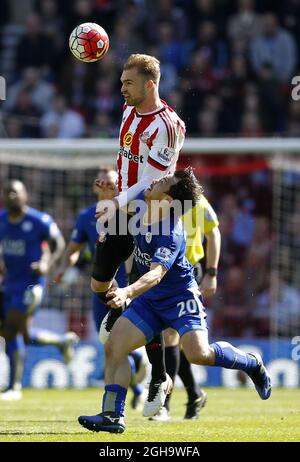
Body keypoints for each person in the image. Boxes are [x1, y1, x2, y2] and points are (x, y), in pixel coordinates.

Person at [78, 168, 272, 434]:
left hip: (179, 297)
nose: (158, 178)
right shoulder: (142, 206)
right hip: (150, 301)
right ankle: (113, 415)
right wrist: (109, 195)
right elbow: (117, 210)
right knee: (114, 347)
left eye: (165, 181)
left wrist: (126, 292)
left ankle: (251, 362)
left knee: (198, 354)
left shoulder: (170, 231)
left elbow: (156, 274)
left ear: (168, 200)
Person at [91, 53, 186, 415]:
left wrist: (118, 202)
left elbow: (150, 181)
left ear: (150, 84)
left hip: (150, 215)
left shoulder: (167, 125)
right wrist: (114, 192)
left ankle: (159, 378)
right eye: (120, 83)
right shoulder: (129, 111)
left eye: (128, 83)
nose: (122, 90)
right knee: (98, 283)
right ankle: (118, 307)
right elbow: (125, 161)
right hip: (122, 208)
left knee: (142, 292)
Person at [54, 168, 146, 408]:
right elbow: (74, 249)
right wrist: (66, 267)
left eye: (113, 182)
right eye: (103, 181)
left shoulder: (129, 210)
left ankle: (132, 379)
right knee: (108, 342)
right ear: (96, 186)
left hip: (127, 285)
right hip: (101, 288)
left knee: (121, 340)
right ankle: (135, 385)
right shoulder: (86, 216)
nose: (107, 185)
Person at [0, 180, 78, 400]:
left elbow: (59, 244)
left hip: (31, 284)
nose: (11, 196)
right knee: (21, 335)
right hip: (9, 283)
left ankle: (14, 387)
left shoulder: (39, 220)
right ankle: (62, 342)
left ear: (25, 195)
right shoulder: (1, 220)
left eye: (15, 192)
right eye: (7, 193)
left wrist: (47, 265)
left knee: (11, 328)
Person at [148, 193, 221, 421]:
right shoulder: (152, 200)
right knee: (177, 343)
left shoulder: (197, 201)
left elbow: (213, 232)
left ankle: (164, 406)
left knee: (169, 336)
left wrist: (211, 273)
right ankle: (194, 394)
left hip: (187, 273)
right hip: (160, 271)